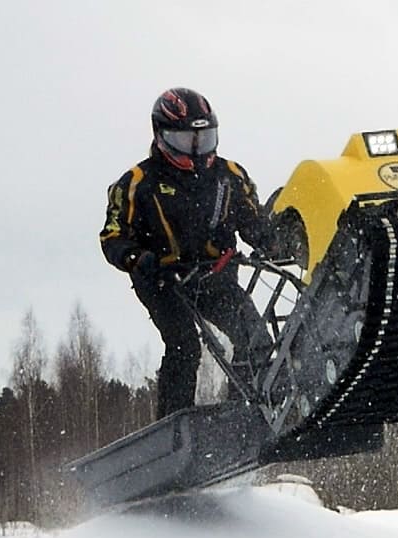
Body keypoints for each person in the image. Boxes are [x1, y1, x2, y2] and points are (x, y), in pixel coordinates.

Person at [99, 87, 274, 418]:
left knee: (255, 338)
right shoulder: (137, 182)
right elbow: (113, 236)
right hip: (162, 281)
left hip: (215, 274)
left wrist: (270, 240)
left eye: (204, 139)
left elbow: (253, 222)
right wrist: (138, 258)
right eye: (186, 140)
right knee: (184, 346)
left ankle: (245, 414)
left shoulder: (230, 176)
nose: (196, 150)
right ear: (161, 135)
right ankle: (173, 425)